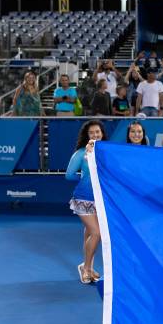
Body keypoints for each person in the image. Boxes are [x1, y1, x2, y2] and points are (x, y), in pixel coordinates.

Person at [66, 120, 108, 284]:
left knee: (91, 234)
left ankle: (87, 265)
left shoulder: (105, 151)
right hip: (83, 199)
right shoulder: (81, 153)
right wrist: (84, 178)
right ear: (87, 135)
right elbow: (69, 175)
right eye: (92, 132)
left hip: (100, 200)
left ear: (102, 133)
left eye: (98, 132)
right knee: (96, 233)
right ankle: (87, 269)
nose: (95, 135)